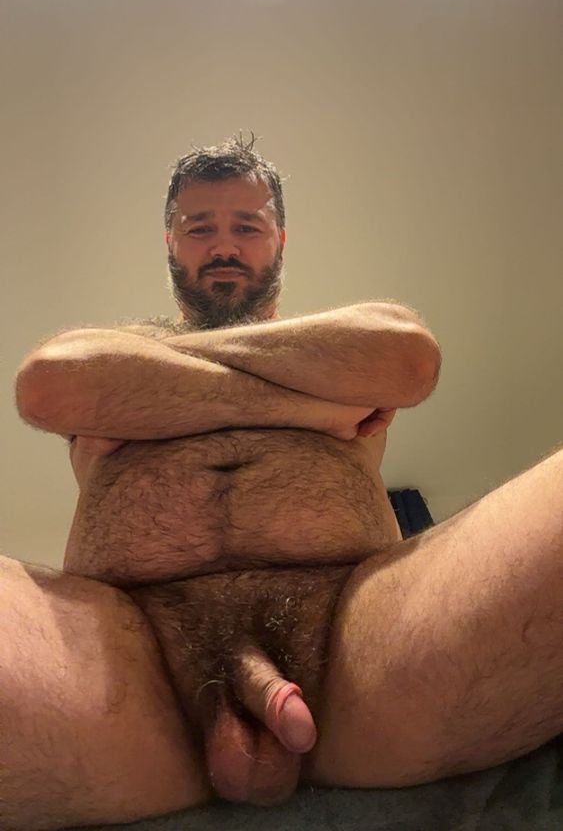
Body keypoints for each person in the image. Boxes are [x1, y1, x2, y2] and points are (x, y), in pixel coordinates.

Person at [10, 137, 563, 831]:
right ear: (170, 242)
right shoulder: (302, 370)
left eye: (247, 225)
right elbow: (50, 382)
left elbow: (405, 355)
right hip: (121, 665)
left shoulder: (329, 339)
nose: (223, 245)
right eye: (199, 227)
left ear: (279, 238)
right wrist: (313, 410)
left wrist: (145, 394)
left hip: (366, 646)